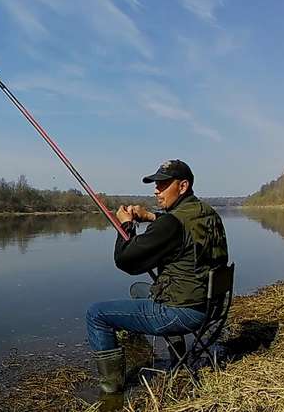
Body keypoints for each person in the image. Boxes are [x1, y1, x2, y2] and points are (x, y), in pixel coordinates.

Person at [85, 159, 229, 393]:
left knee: (97, 314)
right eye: (156, 184)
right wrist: (151, 217)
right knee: (139, 290)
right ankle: (174, 354)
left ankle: (111, 388)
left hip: (182, 313)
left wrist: (126, 225)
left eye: (163, 184)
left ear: (183, 186)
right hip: (212, 306)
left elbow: (127, 261)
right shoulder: (207, 213)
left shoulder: (171, 223)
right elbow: (176, 226)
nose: (156, 190)